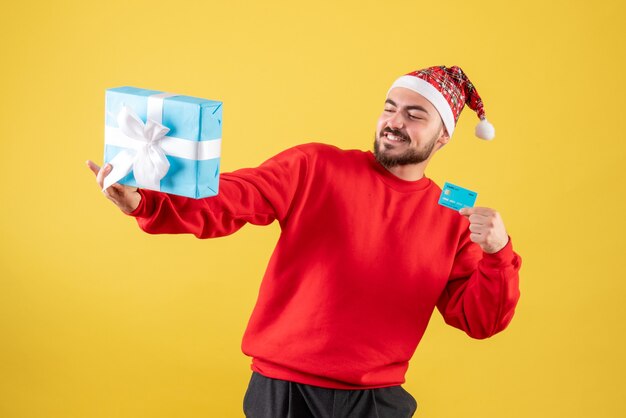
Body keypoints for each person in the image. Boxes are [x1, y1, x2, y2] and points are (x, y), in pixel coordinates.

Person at [87, 65, 522, 418]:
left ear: (443, 136)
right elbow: (237, 196)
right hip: (282, 393)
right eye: (390, 108)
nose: (394, 122)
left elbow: (479, 320)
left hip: (375, 401)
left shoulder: (452, 216)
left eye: (414, 115)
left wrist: (498, 255)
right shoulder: (317, 165)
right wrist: (146, 201)